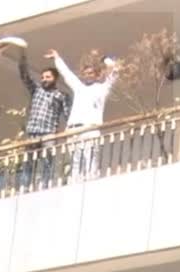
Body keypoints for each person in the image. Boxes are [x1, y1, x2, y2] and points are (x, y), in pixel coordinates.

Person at [45, 49, 118, 183]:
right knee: (75, 163)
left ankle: (91, 183)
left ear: (96, 75)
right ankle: (74, 184)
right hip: (74, 130)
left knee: (90, 161)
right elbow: (67, 74)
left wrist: (105, 59)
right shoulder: (79, 88)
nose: (88, 76)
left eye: (91, 73)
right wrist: (57, 58)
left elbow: (114, 73)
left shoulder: (101, 89)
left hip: (90, 129)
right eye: (85, 74)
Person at [17, 50, 70, 189]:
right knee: (28, 161)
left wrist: (69, 131)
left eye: (48, 77)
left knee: (47, 162)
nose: (44, 79)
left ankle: (46, 186)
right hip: (33, 132)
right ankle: (25, 187)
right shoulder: (36, 90)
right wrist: (22, 58)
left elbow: (67, 114)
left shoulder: (61, 95)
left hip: (48, 133)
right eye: (43, 77)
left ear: (55, 78)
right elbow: (25, 77)